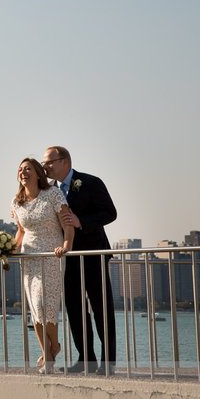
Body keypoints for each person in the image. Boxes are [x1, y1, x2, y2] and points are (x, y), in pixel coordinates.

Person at [42, 145, 118, 375]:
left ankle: (108, 363)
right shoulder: (48, 192)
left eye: (49, 162)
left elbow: (110, 213)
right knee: (75, 309)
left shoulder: (91, 182)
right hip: (66, 258)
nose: (45, 166)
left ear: (64, 161)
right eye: (45, 162)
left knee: (101, 308)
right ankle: (86, 359)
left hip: (93, 254)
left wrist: (80, 221)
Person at [11, 158, 75, 375]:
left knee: (45, 305)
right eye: (20, 169)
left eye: (27, 169)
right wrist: (9, 248)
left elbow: (67, 223)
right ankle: (49, 353)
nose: (23, 172)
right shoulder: (17, 202)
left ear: (38, 173)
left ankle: (52, 348)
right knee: (34, 308)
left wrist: (66, 245)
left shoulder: (53, 195)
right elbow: (20, 231)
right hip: (28, 257)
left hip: (52, 255)